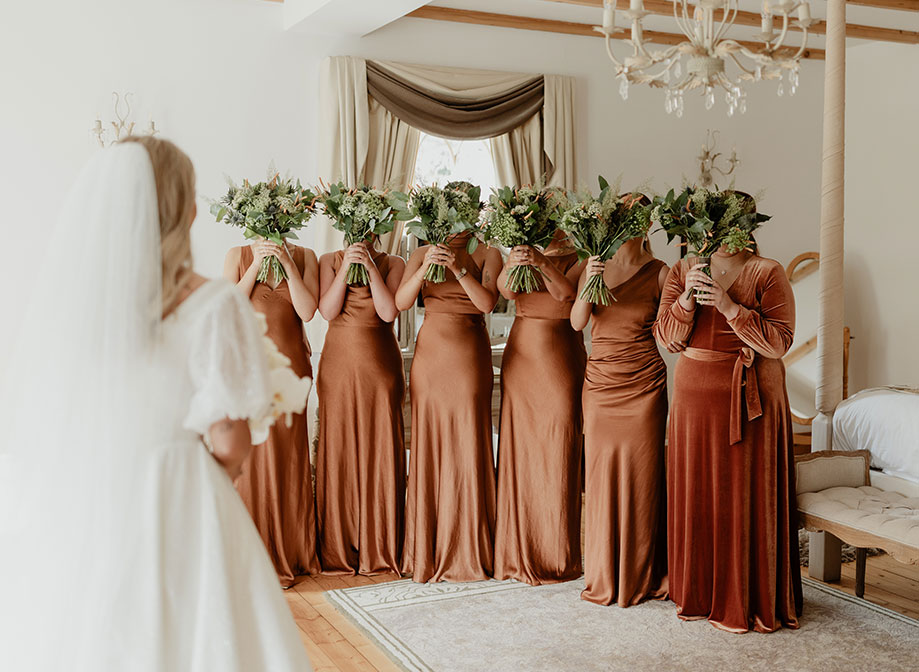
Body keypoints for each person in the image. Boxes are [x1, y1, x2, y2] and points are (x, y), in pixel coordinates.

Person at [0, 138, 312, 670]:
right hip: (183, 490)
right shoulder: (214, 302)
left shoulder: (85, 311)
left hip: (96, 484)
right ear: (185, 211)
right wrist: (221, 470)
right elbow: (230, 438)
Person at [653, 228, 803, 632]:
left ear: (744, 226)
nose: (715, 233)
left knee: (742, 493)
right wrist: (686, 300)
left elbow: (778, 344)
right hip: (693, 404)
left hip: (751, 403)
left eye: (724, 222)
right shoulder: (682, 269)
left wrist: (729, 306)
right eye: (710, 223)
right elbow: (666, 337)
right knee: (698, 491)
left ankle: (747, 596)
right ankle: (697, 591)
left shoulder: (767, 271)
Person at [395, 232, 502, 582]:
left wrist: (458, 269)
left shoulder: (487, 252)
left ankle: (470, 546)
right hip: (430, 357)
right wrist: (424, 268)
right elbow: (401, 302)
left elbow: (486, 304)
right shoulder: (423, 252)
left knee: (469, 440)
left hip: (469, 355)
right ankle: (426, 547)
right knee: (430, 445)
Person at [571, 231, 671, 607]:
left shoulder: (660, 272)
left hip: (644, 385)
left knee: (643, 477)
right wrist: (590, 281)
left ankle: (640, 572)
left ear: (645, 225)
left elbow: (670, 332)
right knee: (600, 477)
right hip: (601, 384)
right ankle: (603, 572)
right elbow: (577, 322)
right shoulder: (593, 265)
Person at [223, 212, 320, 587]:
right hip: (251, 370)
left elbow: (307, 311)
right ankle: (251, 556)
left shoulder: (306, 256)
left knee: (289, 458)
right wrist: (257, 264)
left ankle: (290, 551)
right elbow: (228, 308)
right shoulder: (237, 254)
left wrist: (286, 263)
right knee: (253, 459)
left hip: (292, 370)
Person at [492, 232, 586, 585]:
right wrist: (516, 259)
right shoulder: (521, 249)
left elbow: (565, 293)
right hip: (522, 354)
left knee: (558, 446)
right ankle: (516, 549)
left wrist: (542, 262)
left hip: (560, 354)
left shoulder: (582, 254)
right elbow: (505, 291)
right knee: (521, 450)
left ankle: (555, 554)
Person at [315, 237, 406, 575]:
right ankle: (339, 546)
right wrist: (345, 270)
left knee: (380, 446)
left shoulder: (393, 262)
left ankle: (380, 544)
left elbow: (388, 312)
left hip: (380, 365)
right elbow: (327, 311)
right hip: (338, 364)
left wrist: (368, 265)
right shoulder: (328, 260)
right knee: (339, 448)